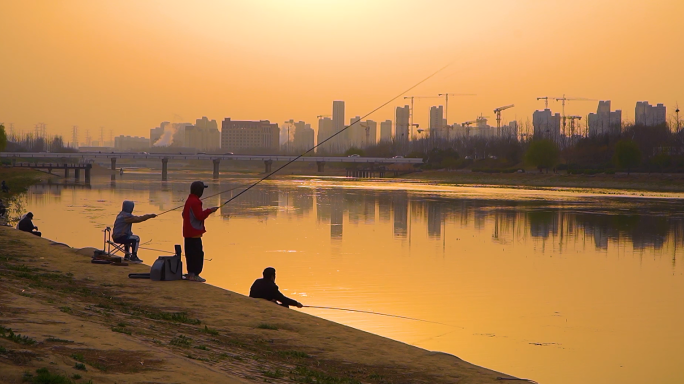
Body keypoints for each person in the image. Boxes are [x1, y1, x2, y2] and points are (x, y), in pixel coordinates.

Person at [182, 181, 218, 282]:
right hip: (194, 233)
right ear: (199, 191)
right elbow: (200, 216)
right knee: (197, 255)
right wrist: (210, 211)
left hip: (187, 232)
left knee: (190, 254)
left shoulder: (189, 200)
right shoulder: (196, 202)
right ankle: (195, 275)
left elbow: (183, 214)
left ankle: (191, 274)